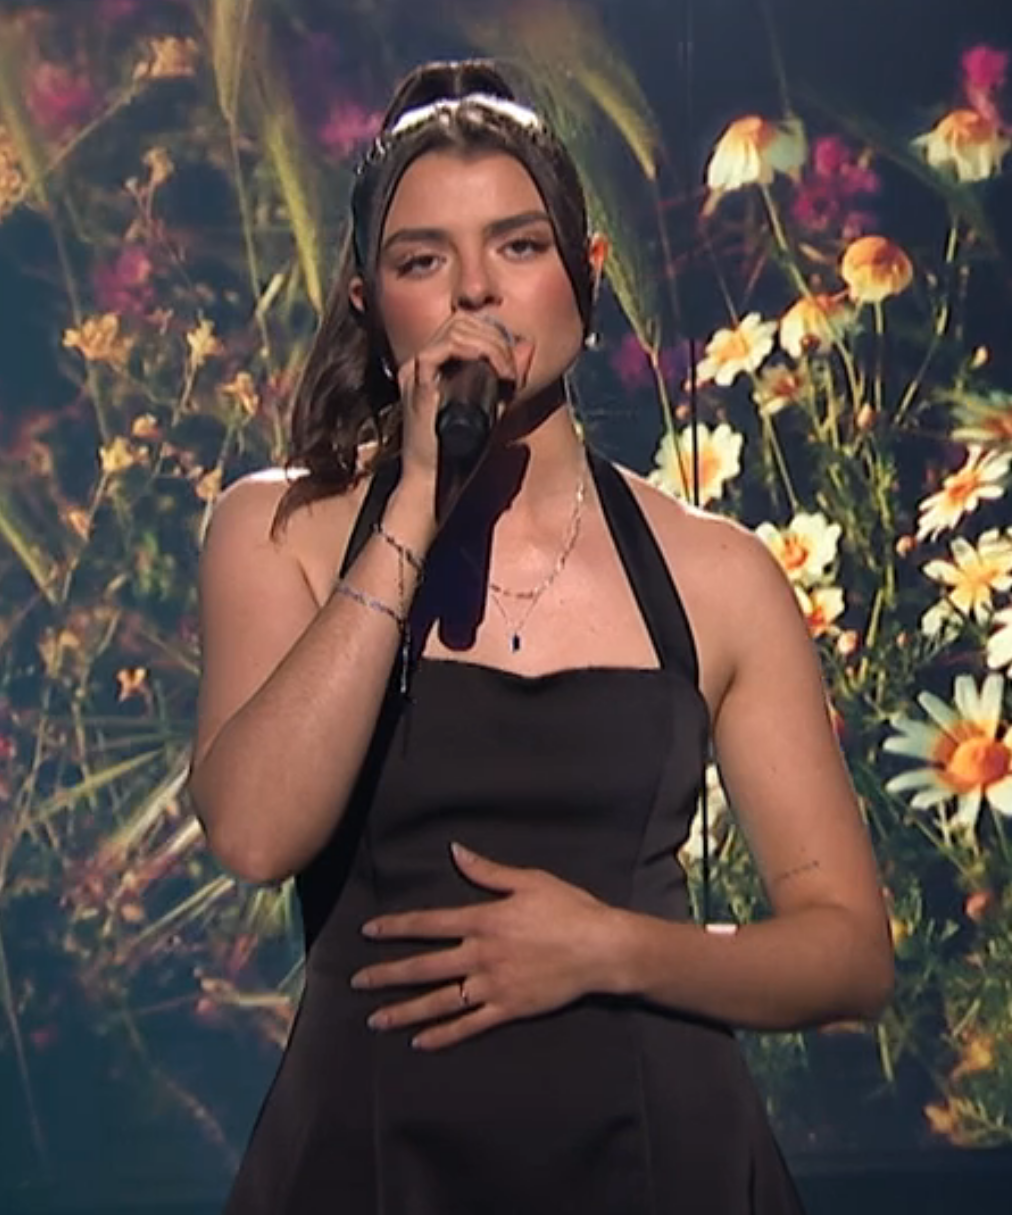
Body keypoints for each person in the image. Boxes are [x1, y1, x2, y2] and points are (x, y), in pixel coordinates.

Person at [190, 60, 895, 1213]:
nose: (477, 290)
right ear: (369, 302)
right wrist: (414, 501)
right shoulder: (281, 531)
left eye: (517, 246)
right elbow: (257, 832)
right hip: (377, 1164)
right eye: (424, 261)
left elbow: (847, 953)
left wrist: (612, 948)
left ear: (586, 272)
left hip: (659, 1161)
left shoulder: (714, 573)